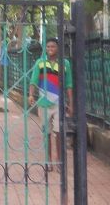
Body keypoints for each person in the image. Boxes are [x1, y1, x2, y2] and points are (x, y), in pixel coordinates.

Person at [28, 37, 73, 171]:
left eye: (53, 47)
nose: (50, 49)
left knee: (59, 133)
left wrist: (71, 104)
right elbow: (33, 80)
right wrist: (31, 94)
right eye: (48, 47)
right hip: (43, 103)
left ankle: (59, 160)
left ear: (58, 48)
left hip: (59, 103)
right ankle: (48, 161)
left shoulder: (65, 64)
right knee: (46, 133)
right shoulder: (40, 63)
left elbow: (69, 84)